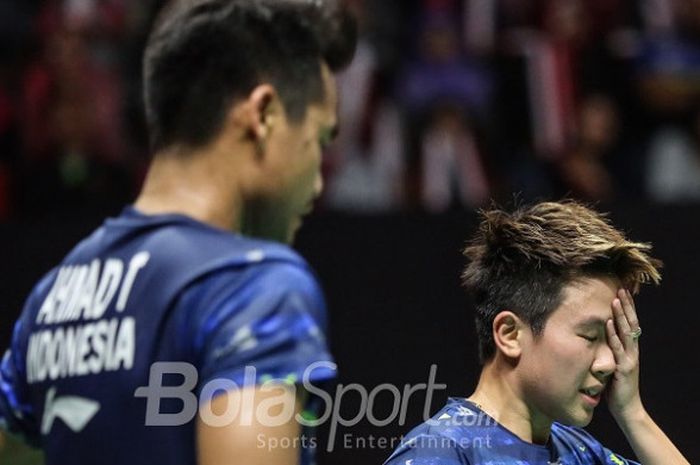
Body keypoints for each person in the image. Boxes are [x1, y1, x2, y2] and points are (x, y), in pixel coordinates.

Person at [0, 1, 356, 465]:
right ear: (263, 115)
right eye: (318, 140)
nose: (318, 181)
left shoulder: (52, 300)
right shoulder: (250, 287)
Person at [385, 200, 690, 465]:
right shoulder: (439, 454)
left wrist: (632, 413)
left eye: (613, 339)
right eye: (590, 336)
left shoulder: (580, 452)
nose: (609, 363)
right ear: (510, 334)